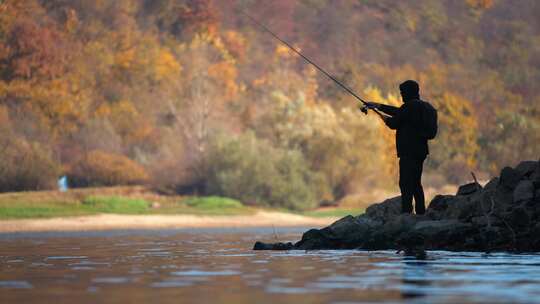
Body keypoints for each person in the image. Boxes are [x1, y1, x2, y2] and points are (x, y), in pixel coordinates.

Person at [366, 80, 429, 215]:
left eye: (402, 93)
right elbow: (400, 112)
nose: (401, 95)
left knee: (405, 183)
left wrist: (381, 116)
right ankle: (421, 213)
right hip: (421, 152)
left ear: (408, 92)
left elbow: (393, 123)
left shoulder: (408, 108)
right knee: (416, 182)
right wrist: (379, 106)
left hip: (408, 152)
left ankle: (406, 213)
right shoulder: (426, 108)